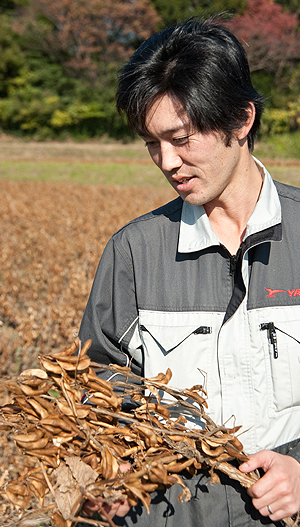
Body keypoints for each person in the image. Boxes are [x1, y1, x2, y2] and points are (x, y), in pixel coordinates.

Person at [79, 17, 300, 527]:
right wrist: (103, 477)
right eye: (152, 142)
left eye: (181, 138)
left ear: (240, 120)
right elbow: (97, 387)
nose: (167, 161)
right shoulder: (134, 252)